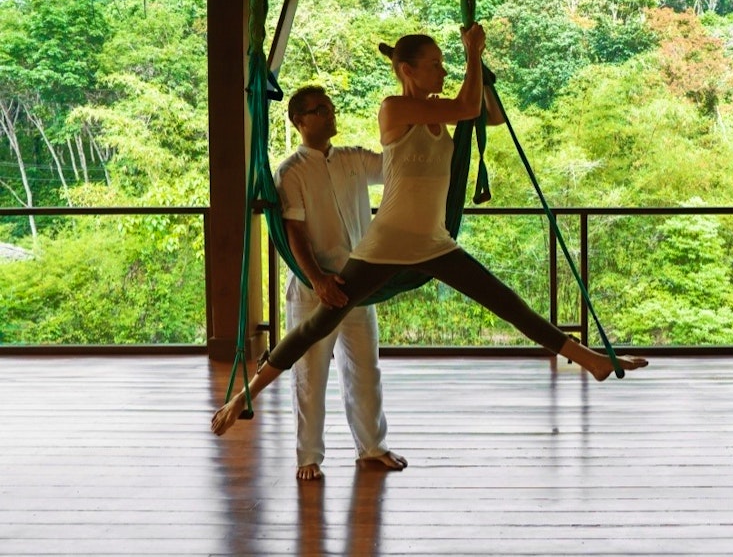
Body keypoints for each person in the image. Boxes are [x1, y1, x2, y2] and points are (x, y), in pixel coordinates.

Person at [213, 23, 647, 438]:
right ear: (408, 71)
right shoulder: (394, 108)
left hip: (434, 241)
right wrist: (472, 53)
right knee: (317, 325)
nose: (444, 70)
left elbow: (485, 112)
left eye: (446, 63)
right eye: (436, 64)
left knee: (507, 302)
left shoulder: (443, 108)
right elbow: (466, 107)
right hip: (388, 243)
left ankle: (589, 360)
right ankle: (242, 397)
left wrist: (483, 68)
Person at [274, 85, 407, 479]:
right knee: (310, 375)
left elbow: (394, 167)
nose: (330, 114)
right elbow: (294, 233)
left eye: (330, 107)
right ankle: (308, 457)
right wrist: (317, 280)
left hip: (357, 284)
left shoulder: (351, 159)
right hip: (312, 289)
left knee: (365, 368)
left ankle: (372, 447)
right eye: (319, 110)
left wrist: (413, 118)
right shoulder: (290, 172)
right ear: (299, 122)